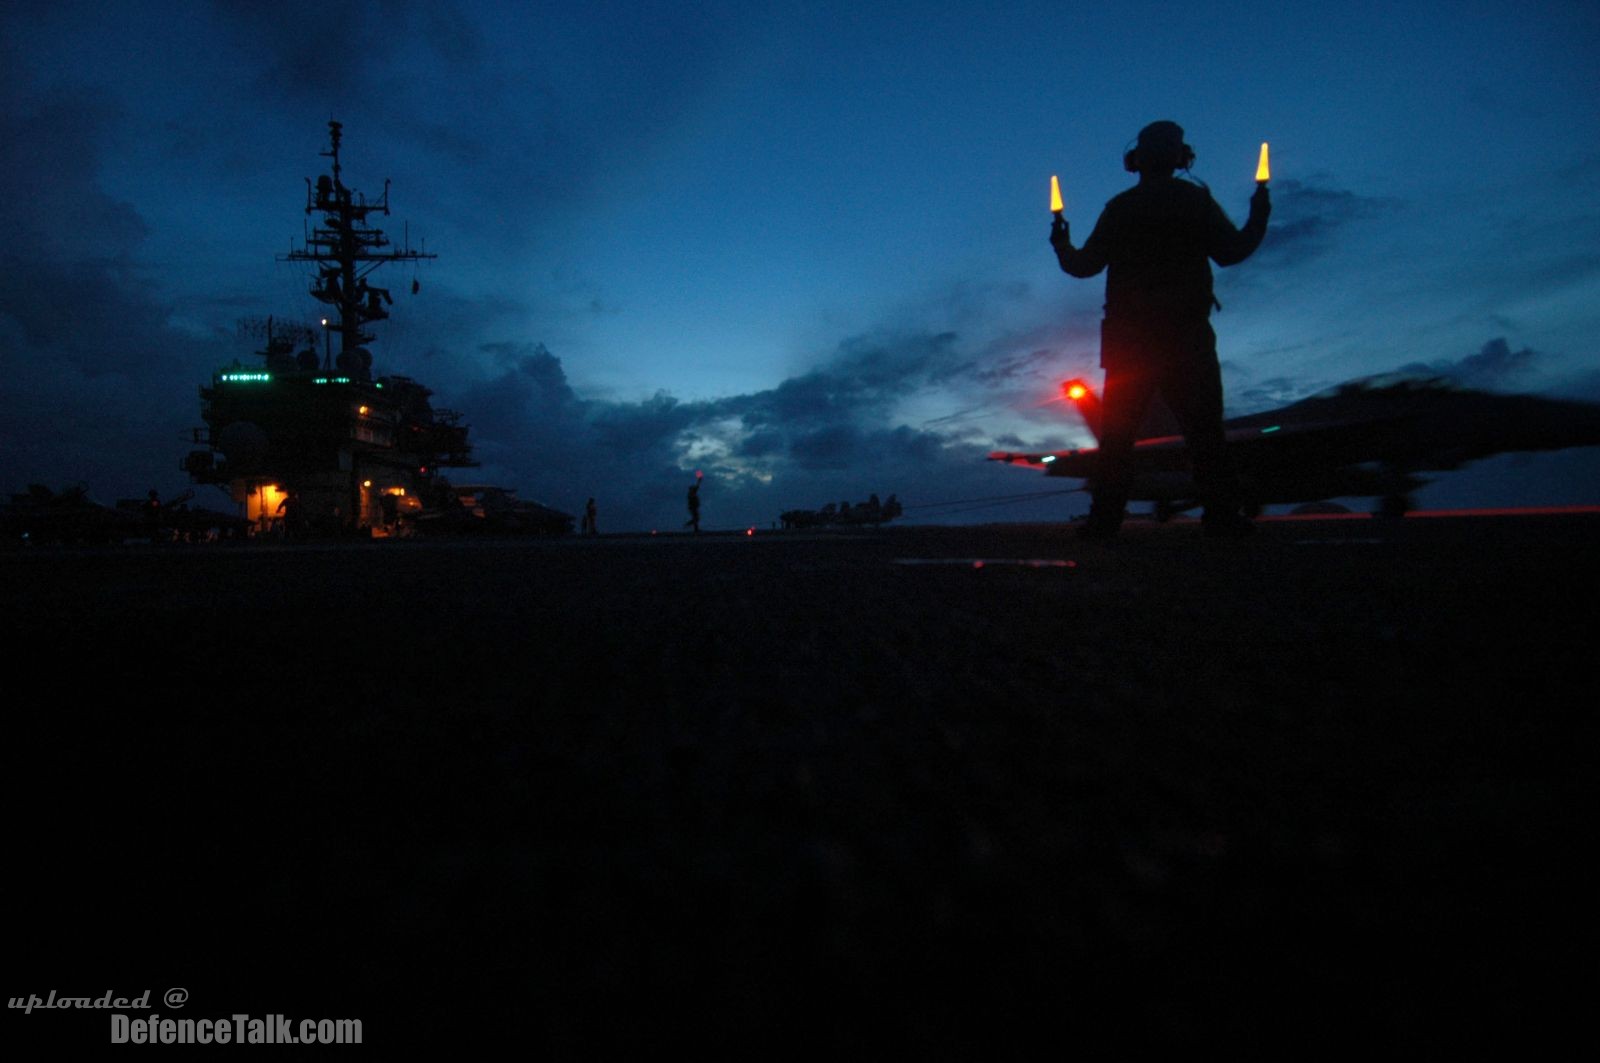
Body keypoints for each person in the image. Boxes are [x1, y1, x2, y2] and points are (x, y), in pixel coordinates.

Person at [1050, 120, 1270, 540]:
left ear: (1136, 162)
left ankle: (1104, 521)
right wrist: (1260, 213)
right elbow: (1232, 251)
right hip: (1187, 339)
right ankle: (1222, 517)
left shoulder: (1120, 208)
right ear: (1181, 158)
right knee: (1205, 434)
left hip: (1129, 344)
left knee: (1117, 438)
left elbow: (1084, 266)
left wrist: (1061, 241)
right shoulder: (1195, 201)